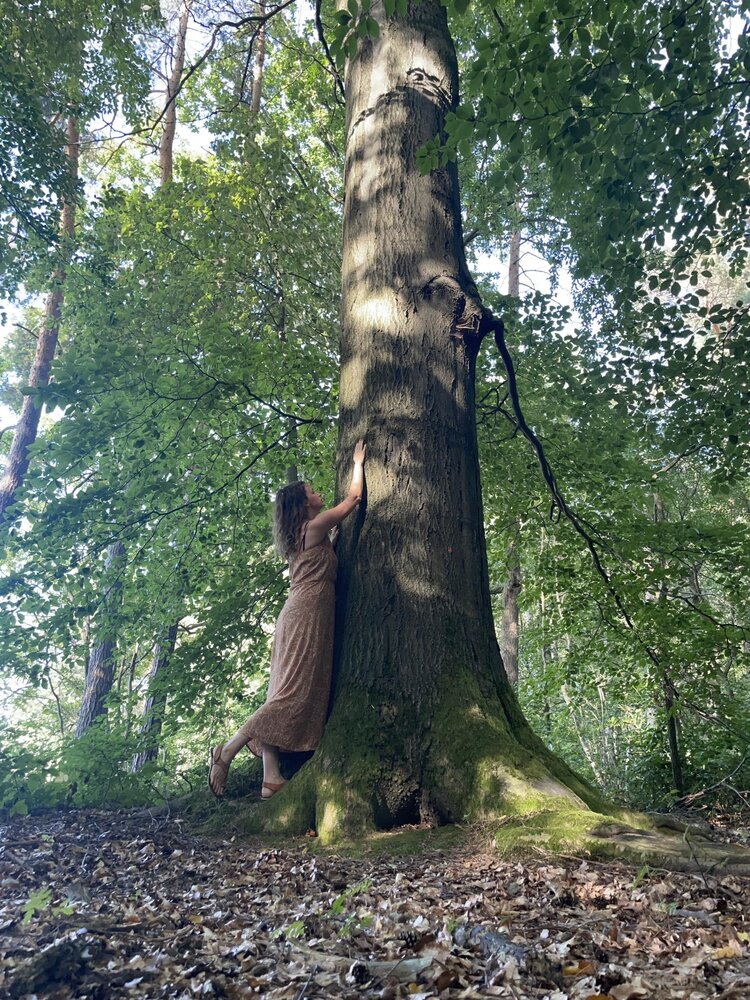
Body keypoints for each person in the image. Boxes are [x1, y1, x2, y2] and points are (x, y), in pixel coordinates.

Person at [208, 439, 366, 799]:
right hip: (306, 615)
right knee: (290, 693)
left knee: (280, 690)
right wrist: (357, 462)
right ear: (303, 503)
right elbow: (354, 498)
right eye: (312, 491)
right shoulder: (315, 527)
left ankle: (271, 777)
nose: (317, 492)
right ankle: (227, 751)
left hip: (298, 613)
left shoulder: (307, 535)